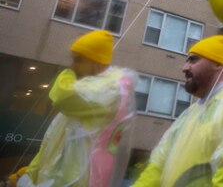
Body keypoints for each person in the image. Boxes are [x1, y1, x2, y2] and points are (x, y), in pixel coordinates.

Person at [133, 35, 223, 186]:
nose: (184, 67)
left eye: (193, 60)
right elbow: (158, 165)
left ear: (218, 63)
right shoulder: (191, 113)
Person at [15, 30, 136, 187]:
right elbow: (50, 145)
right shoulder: (80, 104)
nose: (72, 66)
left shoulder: (111, 91)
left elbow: (62, 96)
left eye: (78, 60)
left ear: (98, 64)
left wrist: (68, 73)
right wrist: (30, 174)